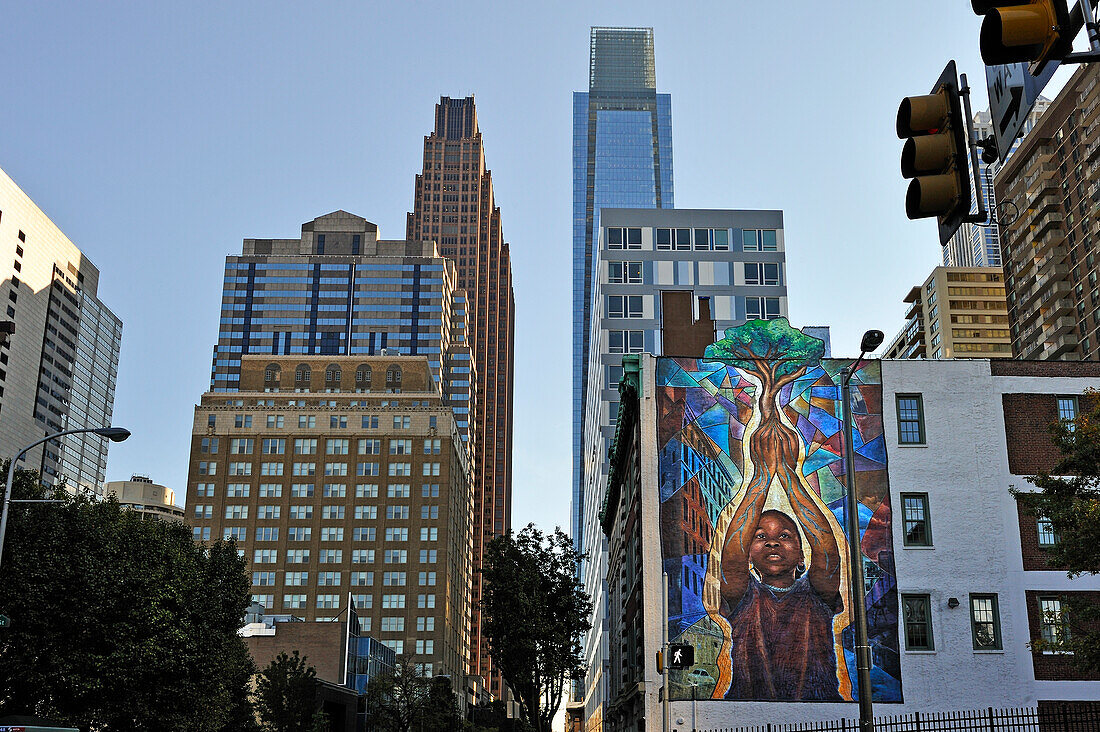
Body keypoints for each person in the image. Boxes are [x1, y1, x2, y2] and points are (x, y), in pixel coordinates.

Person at [719, 477, 844, 700]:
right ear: (749, 555)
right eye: (760, 536)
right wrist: (761, 479)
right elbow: (732, 557)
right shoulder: (744, 596)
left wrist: (788, 476)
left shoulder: (816, 595)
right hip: (747, 710)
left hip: (820, 709)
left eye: (784, 536)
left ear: (802, 556)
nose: (772, 542)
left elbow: (826, 549)